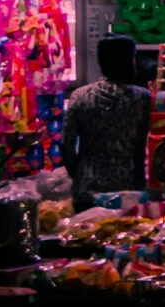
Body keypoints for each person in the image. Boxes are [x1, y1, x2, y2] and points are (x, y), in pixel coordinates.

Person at [62, 35, 151, 199]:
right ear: (130, 62)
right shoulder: (144, 98)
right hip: (129, 190)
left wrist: (79, 174)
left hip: (88, 189)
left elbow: (66, 145)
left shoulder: (80, 96)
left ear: (100, 62)